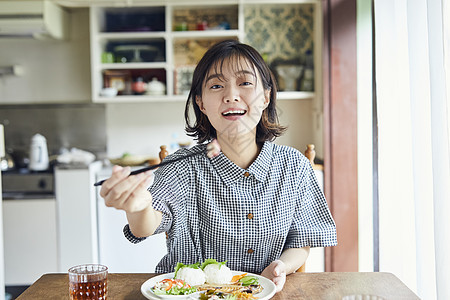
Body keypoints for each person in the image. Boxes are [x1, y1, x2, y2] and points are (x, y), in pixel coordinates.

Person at [100, 40, 337, 292]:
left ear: (266, 97)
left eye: (245, 83)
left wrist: (282, 266)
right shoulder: (181, 168)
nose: (231, 95)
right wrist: (139, 207)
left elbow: (301, 243)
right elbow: (145, 225)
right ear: (201, 103)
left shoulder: (294, 166)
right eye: (216, 86)